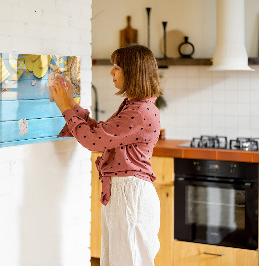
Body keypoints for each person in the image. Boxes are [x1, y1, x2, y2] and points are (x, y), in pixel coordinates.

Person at [50, 44, 162, 266]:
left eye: (117, 67)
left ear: (133, 72)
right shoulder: (135, 106)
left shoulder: (139, 111)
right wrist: (71, 104)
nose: (111, 72)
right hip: (125, 193)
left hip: (130, 195)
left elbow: (93, 141)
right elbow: (101, 133)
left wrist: (65, 108)